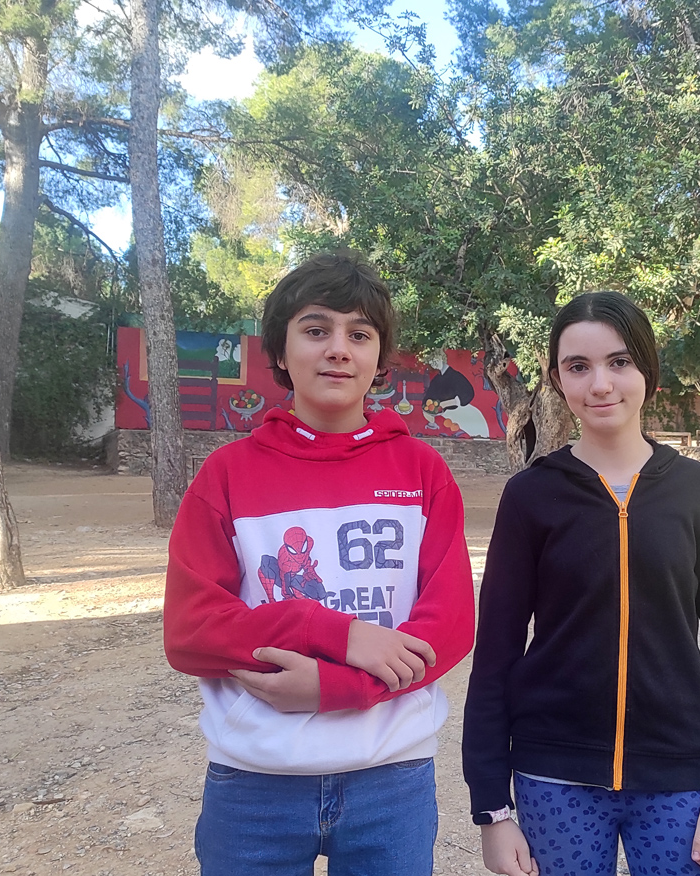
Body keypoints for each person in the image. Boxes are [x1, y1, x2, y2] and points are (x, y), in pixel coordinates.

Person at [164, 250, 475, 876]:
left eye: (359, 334)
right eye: (316, 329)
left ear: (379, 361)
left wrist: (338, 686)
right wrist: (334, 632)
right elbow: (191, 632)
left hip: (391, 779)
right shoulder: (226, 475)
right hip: (255, 784)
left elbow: (450, 625)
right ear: (280, 351)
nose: (339, 348)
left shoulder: (422, 471)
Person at [462, 291, 700, 876]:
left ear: (647, 371)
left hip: (681, 775)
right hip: (554, 776)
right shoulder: (530, 496)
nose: (600, 383)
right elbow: (496, 654)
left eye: (619, 362)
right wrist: (492, 810)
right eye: (579, 367)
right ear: (557, 380)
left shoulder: (699, 493)